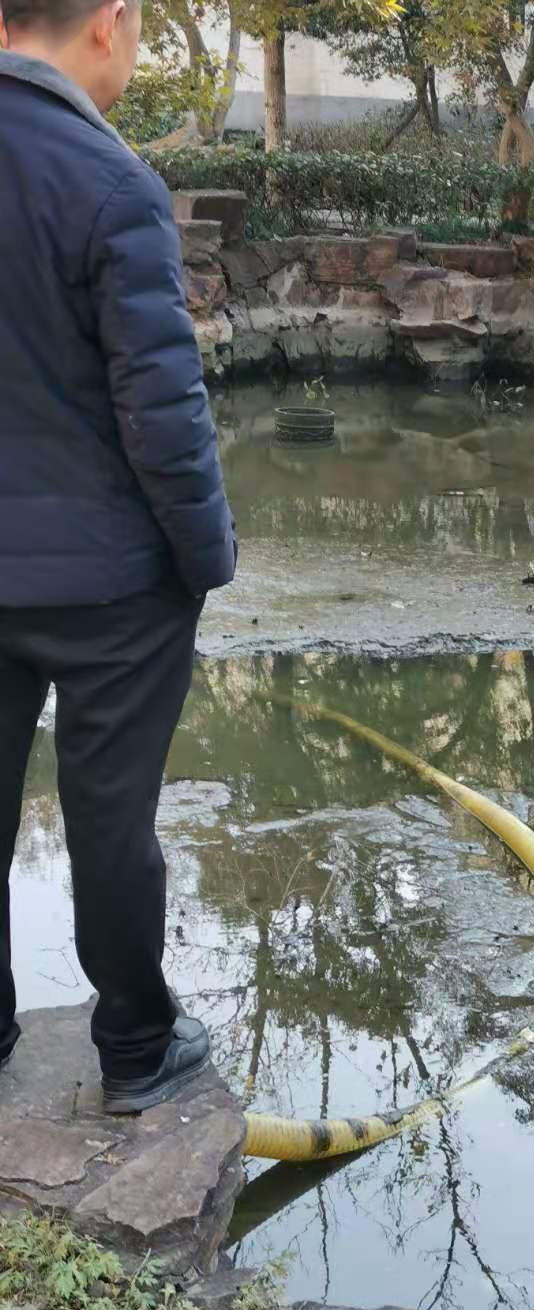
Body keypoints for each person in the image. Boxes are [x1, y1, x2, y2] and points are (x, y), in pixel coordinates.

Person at [0, 0, 236, 1113]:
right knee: (109, 823)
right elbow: (164, 415)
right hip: (109, 585)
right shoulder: (112, 184)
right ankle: (136, 1048)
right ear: (109, 23)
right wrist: (205, 559)